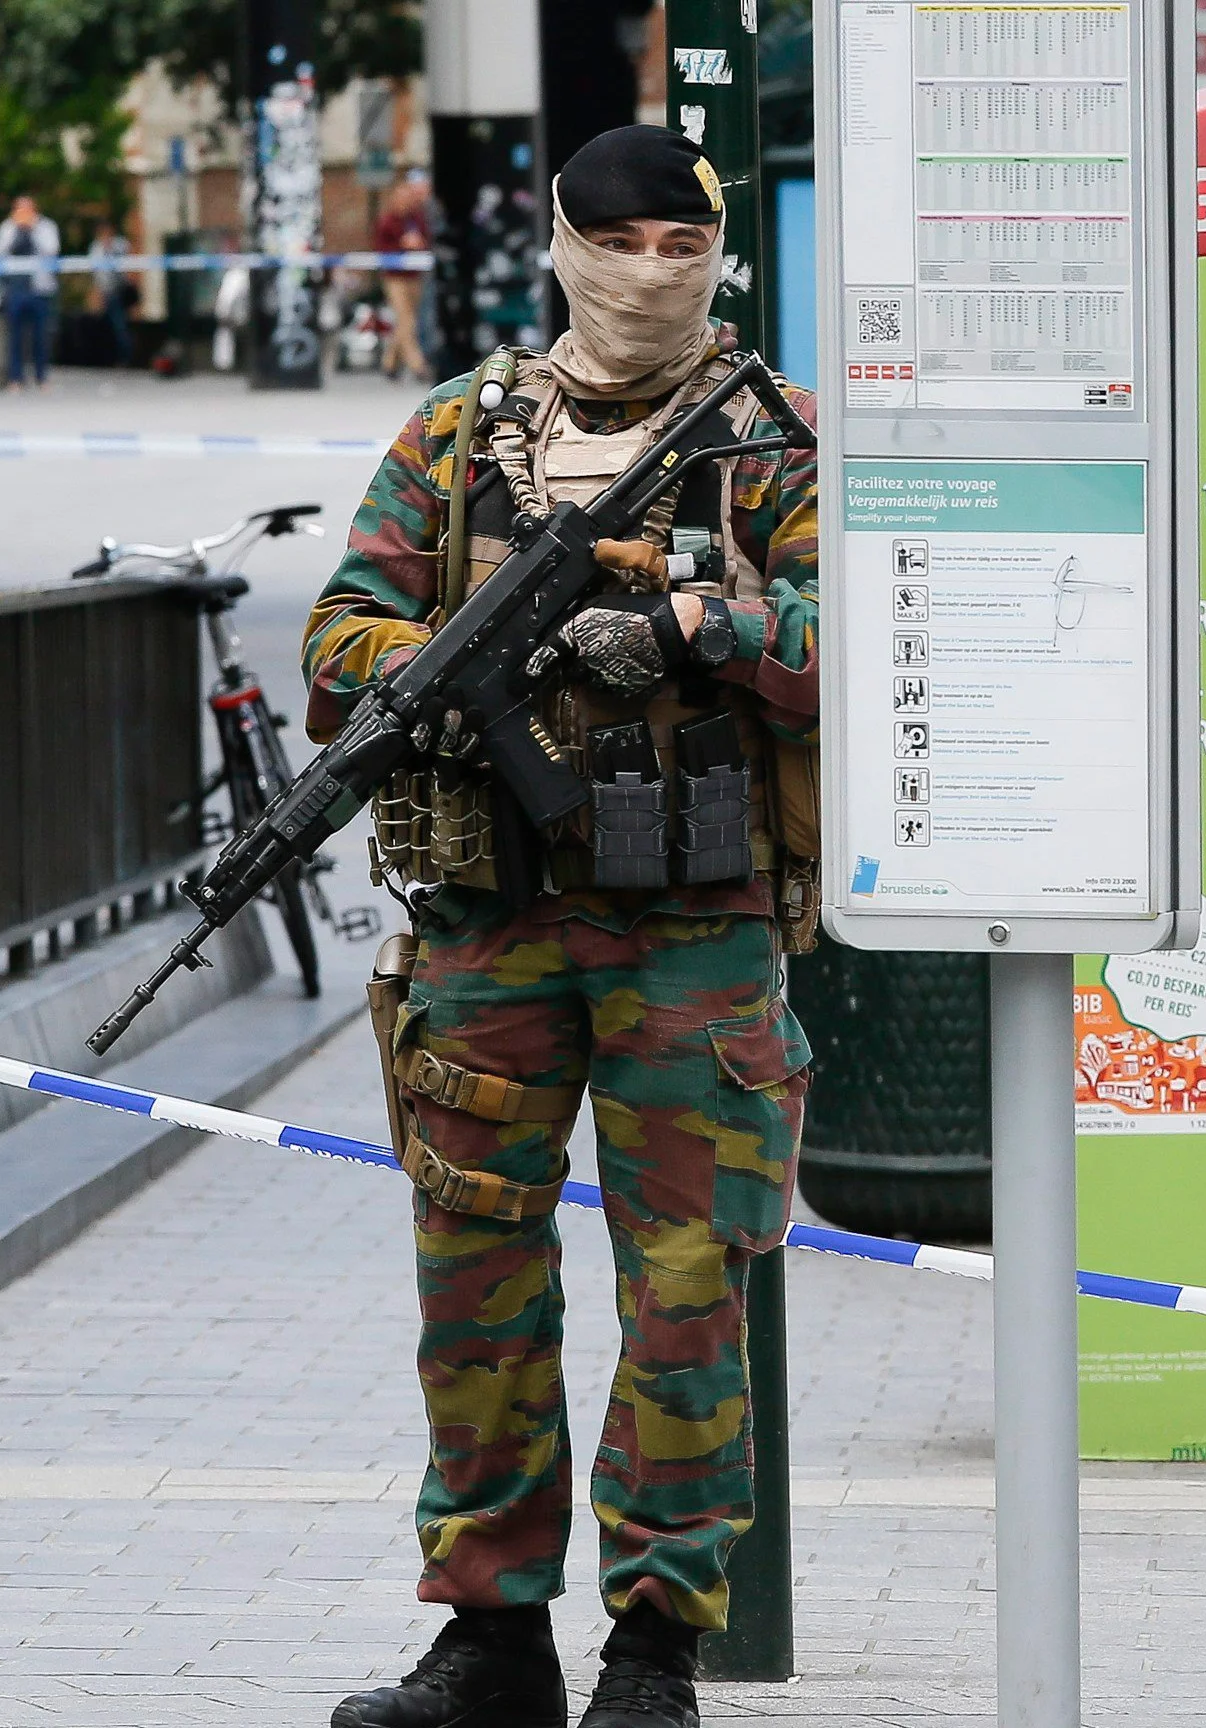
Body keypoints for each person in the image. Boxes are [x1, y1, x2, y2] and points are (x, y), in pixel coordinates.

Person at [307, 124, 820, 1728]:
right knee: (474, 1280)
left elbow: (867, 643)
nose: (650, 272)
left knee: (684, 1288)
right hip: (488, 924)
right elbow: (340, 624)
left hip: (693, 933)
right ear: (561, 245)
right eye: (622, 243)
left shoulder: (769, 443)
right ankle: (490, 1640)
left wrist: (692, 617)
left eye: (684, 245)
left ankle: (657, 1648)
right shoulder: (462, 437)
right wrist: (445, 683)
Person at [0, 193, 61, 391]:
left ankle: (41, 378)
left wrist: (33, 230)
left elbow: (52, 250)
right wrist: (16, 232)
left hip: (40, 289)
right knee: (15, 337)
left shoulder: (46, 227)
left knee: (41, 336)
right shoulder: (8, 228)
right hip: (16, 289)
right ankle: (15, 378)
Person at [376, 171, 434, 383]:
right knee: (406, 320)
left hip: (413, 276)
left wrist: (418, 244)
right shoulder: (387, 221)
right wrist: (402, 245)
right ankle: (418, 365)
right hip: (395, 278)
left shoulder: (416, 218)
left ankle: (390, 363)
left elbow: (427, 240)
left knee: (405, 321)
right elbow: (382, 249)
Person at [91, 224, 134, 369]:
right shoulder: (96, 249)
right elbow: (97, 274)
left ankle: (125, 358)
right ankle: (112, 358)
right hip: (107, 292)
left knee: (120, 325)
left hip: (120, 291)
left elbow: (128, 256)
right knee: (111, 326)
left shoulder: (119, 245)